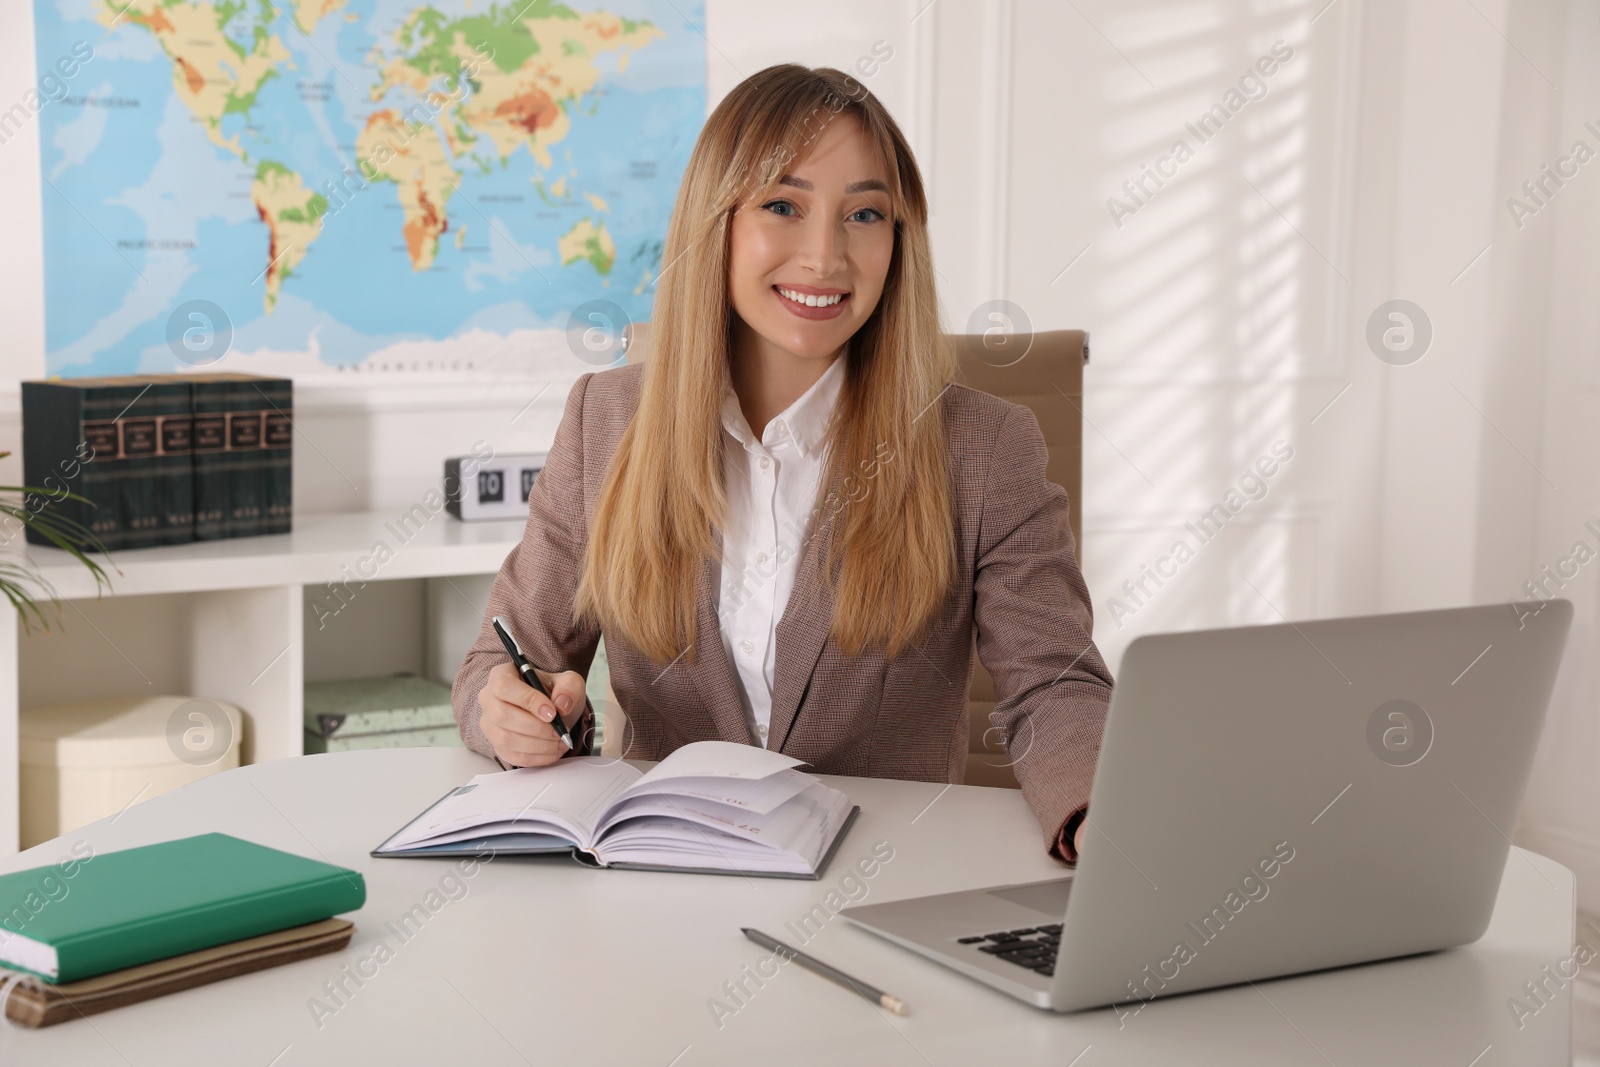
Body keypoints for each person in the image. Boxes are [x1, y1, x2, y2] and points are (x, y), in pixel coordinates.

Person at [452, 64, 1113, 865]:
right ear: (717, 221)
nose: (825, 254)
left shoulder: (984, 446)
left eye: (864, 213)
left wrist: (1095, 817)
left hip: (880, 892)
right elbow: (502, 659)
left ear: (898, 239)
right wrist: (509, 712)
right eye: (783, 206)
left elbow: (1057, 684)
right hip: (653, 892)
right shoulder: (607, 420)